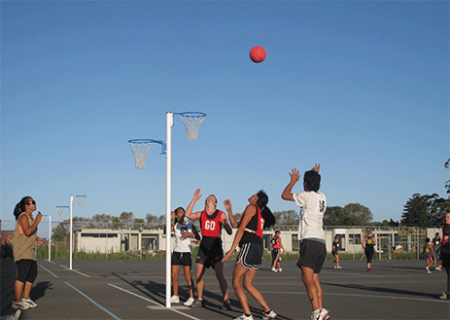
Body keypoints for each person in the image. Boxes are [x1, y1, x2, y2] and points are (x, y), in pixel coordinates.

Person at [281, 164, 330, 320]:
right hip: (321, 242)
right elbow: (314, 188)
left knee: (306, 279)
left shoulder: (307, 196)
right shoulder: (322, 196)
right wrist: (314, 175)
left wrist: (292, 181)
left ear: (306, 184)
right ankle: (320, 310)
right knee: (315, 279)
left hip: (310, 241)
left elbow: (285, 195)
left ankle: (317, 312)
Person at [222, 191, 278, 320]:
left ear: (256, 198)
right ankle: (268, 311)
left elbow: (241, 229)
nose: (251, 195)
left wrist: (231, 250)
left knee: (236, 282)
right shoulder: (258, 212)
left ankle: (247, 315)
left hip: (249, 246)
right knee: (247, 284)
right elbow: (236, 225)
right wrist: (230, 211)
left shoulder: (252, 207)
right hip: (257, 247)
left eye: (254, 194)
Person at [184, 189, 233, 310]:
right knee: (199, 274)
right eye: (208, 199)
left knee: (219, 275)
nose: (210, 199)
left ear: (215, 203)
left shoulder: (221, 214)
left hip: (216, 247)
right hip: (204, 247)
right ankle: (200, 298)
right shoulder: (201, 214)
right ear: (206, 202)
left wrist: (226, 224)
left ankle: (226, 300)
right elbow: (188, 215)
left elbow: (230, 231)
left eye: (212, 199)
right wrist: (194, 200)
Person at [11, 196, 45, 310]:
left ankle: (25, 299)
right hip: (23, 251)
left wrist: (37, 238)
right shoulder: (24, 216)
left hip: (30, 250)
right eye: (32, 202)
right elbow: (27, 232)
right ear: (26, 205)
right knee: (22, 275)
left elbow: (29, 233)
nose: (35, 204)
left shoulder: (29, 217)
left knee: (32, 274)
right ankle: (16, 301)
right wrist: (37, 221)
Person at [170, 207, 201, 307]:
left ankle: (191, 297)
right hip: (177, 252)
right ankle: (175, 296)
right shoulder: (175, 226)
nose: (182, 213)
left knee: (187, 276)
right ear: (176, 215)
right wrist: (169, 219)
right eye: (179, 212)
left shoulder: (190, 225)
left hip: (186, 252)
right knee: (173, 275)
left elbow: (198, 237)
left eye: (183, 212)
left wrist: (190, 234)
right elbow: (166, 231)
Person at [439, 212, 450, 300]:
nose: (446, 218)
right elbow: (443, 240)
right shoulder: (444, 227)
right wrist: (441, 254)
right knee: (448, 273)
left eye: (448, 217)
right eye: (446, 217)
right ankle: (448, 292)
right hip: (446, 251)